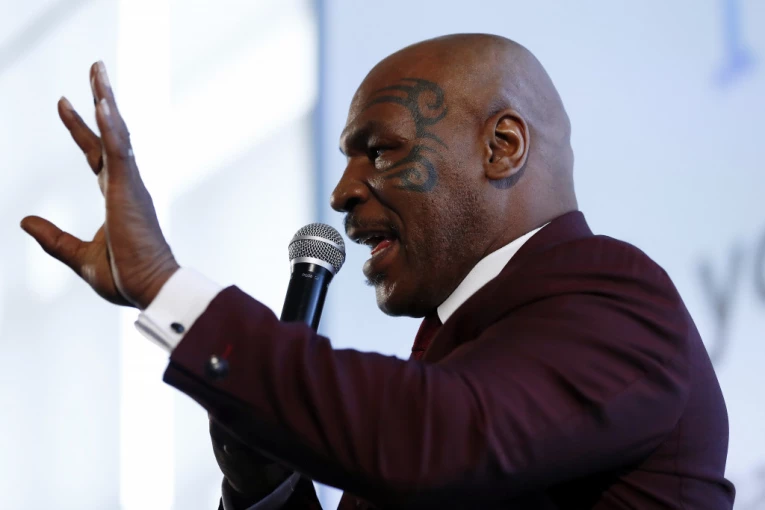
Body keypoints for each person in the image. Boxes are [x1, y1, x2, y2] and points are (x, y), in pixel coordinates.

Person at [20, 34, 735, 509]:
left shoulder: (617, 303)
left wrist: (163, 285)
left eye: (382, 151)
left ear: (502, 146)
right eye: (346, 158)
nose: (341, 193)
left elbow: (435, 439)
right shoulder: (454, 353)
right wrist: (268, 486)